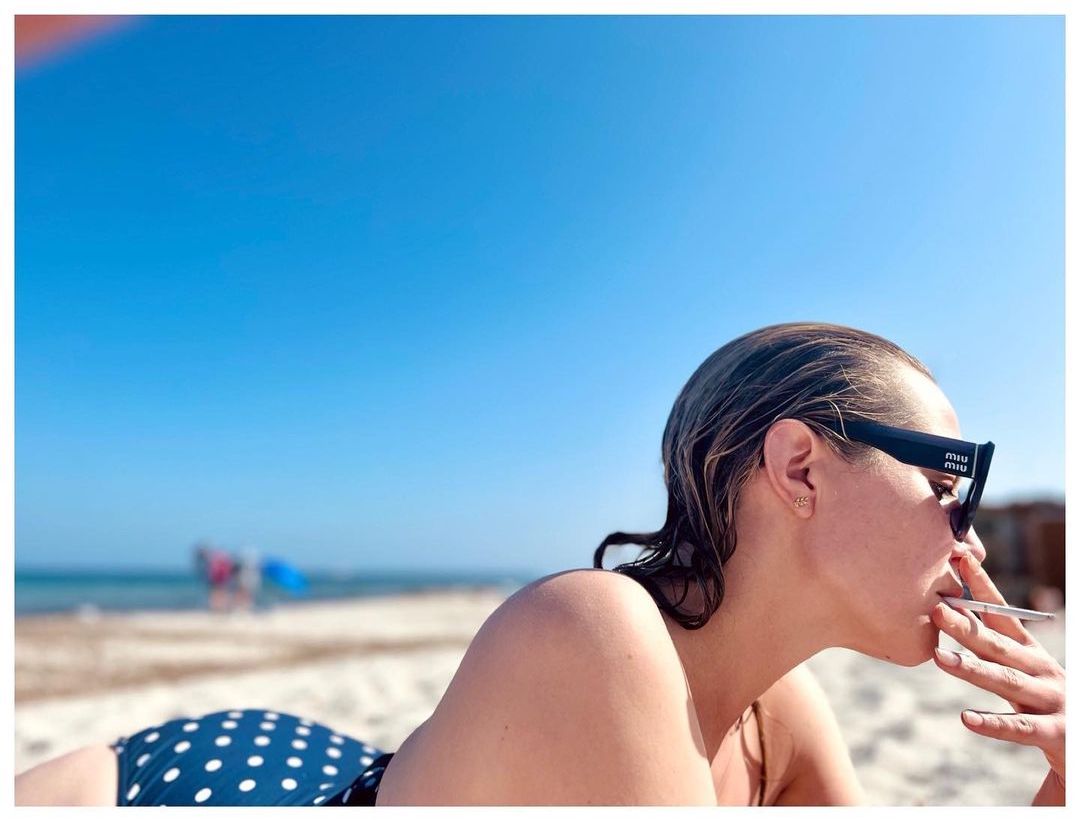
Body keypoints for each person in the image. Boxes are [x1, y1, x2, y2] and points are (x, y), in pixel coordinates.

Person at [14, 322, 1065, 806]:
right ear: (799, 467)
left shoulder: (774, 713)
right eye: (949, 481)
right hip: (207, 784)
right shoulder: (594, 631)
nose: (966, 535)